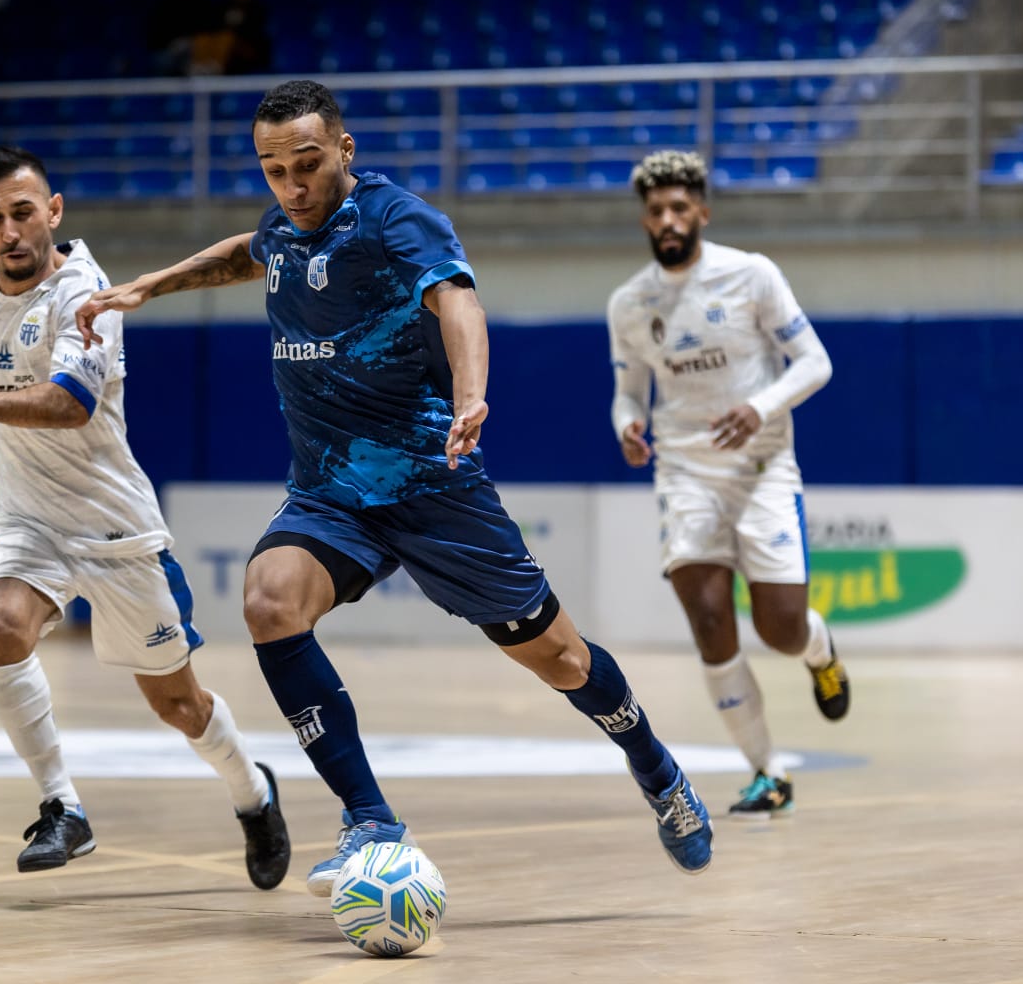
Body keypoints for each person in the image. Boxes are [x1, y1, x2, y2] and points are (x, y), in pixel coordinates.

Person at [76, 80, 714, 897]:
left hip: (432, 488)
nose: (291, 185)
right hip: (330, 494)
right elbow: (252, 249)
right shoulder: (284, 223)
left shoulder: (393, 217)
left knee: (560, 659)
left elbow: (457, 301)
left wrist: (472, 390)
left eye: (306, 164)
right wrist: (149, 286)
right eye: (273, 169)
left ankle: (656, 767)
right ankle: (370, 821)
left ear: (344, 150)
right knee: (269, 602)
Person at [0, 145, 290, 888]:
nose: (11, 231)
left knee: (179, 706)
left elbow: (70, 405)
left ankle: (253, 793)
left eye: (24, 213)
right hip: (28, 519)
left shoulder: (85, 295)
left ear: (53, 211)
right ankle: (62, 807)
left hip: (115, 528)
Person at [606, 150, 850, 820]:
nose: (668, 218)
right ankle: (767, 773)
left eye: (680, 207)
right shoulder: (629, 303)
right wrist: (628, 425)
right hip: (684, 474)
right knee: (711, 623)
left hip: (763, 469)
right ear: (645, 221)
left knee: (780, 629)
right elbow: (628, 393)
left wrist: (760, 409)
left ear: (703, 214)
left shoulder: (751, 275)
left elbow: (816, 362)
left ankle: (818, 647)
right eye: (656, 210)